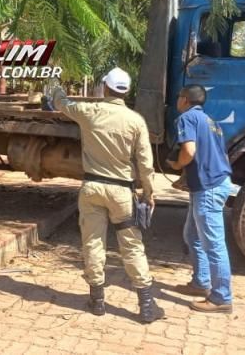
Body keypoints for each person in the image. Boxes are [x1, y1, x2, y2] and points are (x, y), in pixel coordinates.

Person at [51, 67, 164, 323]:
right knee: (132, 246)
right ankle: (146, 305)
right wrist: (149, 192)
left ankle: (97, 300)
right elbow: (145, 163)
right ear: (126, 91)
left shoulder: (90, 112)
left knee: (93, 243)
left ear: (105, 87)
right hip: (122, 192)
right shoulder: (136, 121)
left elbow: (62, 104)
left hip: (92, 189)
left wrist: (56, 85)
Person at [167, 84, 234, 313]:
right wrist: (187, 177)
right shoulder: (212, 123)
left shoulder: (186, 118)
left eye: (178, 97)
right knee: (192, 235)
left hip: (209, 188)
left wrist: (177, 165)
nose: (177, 100)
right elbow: (213, 154)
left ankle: (221, 298)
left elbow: (190, 152)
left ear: (185, 100)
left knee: (214, 245)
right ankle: (200, 283)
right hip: (212, 183)